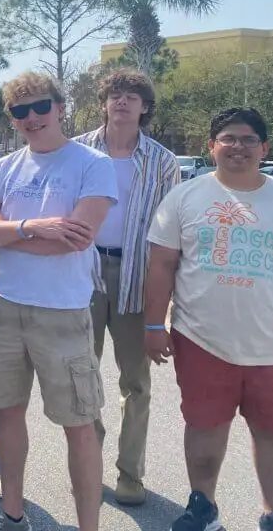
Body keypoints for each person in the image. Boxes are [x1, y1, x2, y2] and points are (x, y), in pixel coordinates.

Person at [0, 72, 117, 531]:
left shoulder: (92, 164)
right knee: (7, 413)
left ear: (59, 107)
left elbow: (74, 240)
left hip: (63, 311)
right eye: (19, 110)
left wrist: (7, 232)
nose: (31, 118)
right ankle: (12, 515)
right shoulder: (5, 167)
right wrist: (34, 227)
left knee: (80, 424)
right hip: (3, 305)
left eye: (40, 107)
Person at [146, 107, 273, 531]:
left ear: (264, 148)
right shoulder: (186, 197)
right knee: (204, 427)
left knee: (272, 432)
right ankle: (203, 507)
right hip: (202, 340)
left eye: (247, 140)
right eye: (228, 138)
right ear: (211, 147)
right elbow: (162, 265)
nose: (237, 146)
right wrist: (153, 325)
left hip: (272, 346)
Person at [75, 68, 180, 506]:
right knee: (83, 375)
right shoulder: (77, 151)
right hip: (83, 274)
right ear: (103, 101)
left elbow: (170, 234)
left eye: (132, 95)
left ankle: (130, 474)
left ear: (145, 106)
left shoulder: (163, 161)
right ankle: (89, 463)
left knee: (135, 382)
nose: (122, 100)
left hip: (136, 274)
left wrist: (164, 309)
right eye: (115, 93)